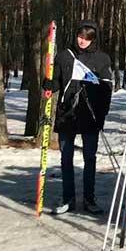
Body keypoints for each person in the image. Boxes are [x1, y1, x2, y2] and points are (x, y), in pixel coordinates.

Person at [49, 21, 113, 215]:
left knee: (89, 158)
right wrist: (48, 85)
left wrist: (101, 115)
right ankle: (68, 198)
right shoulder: (64, 56)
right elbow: (57, 83)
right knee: (66, 158)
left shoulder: (102, 58)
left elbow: (106, 89)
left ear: (93, 39)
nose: (82, 41)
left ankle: (89, 198)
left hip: (90, 115)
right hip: (67, 114)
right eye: (80, 36)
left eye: (87, 38)